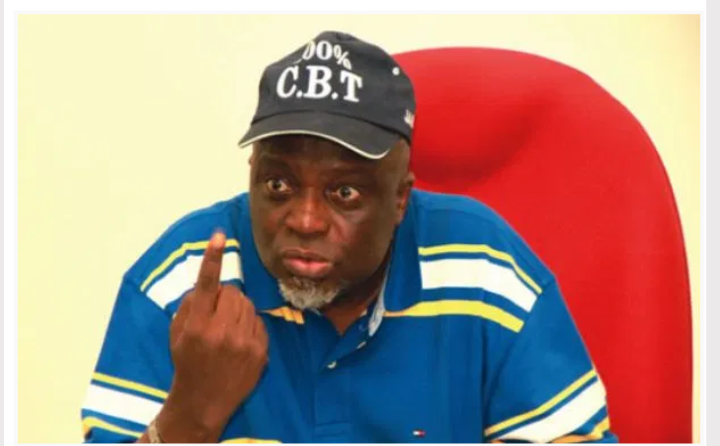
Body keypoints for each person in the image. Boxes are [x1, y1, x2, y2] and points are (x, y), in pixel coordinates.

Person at [81, 30, 617, 443]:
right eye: (278, 183)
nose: (305, 220)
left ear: (401, 199)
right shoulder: (182, 280)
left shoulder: (484, 268)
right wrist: (191, 414)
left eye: (345, 193)